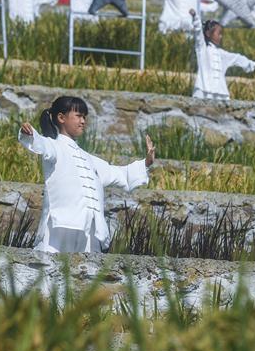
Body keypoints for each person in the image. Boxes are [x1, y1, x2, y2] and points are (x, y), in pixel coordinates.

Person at [18, 96, 155, 253]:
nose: (83, 121)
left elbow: (118, 173)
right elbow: (41, 144)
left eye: (84, 117)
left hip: (89, 230)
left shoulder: (89, 159)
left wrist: (146, 162)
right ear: (61, 118)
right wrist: (29, 134)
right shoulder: (54, 147)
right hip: (60, 227)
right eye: (78, 116)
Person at [189, 9, 255, 100]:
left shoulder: (222, 54)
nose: (221, 36)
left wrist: (254, 64)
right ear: (208, 34)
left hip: (220, 92)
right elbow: (198, 33)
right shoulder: (202, 49)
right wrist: (195, 17)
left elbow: (237, 58)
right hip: (203, 90)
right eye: (219, 34)